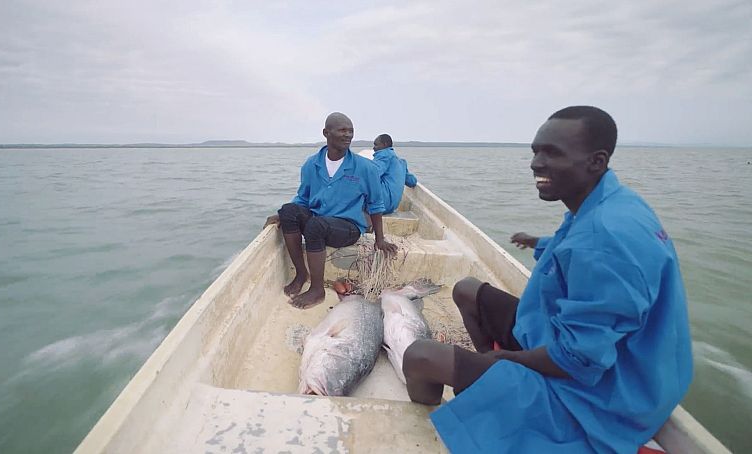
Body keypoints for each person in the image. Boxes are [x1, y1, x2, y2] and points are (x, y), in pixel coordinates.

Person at [401, 106, 693, 452]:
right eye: (536, 151)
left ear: (596, 161)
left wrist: (506, 360)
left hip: (601, 396)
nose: (536, 163)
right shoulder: (613, 203)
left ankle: (443, 420)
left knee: (418, 357)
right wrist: (539, 242)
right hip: (565, 339)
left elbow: (579, 360)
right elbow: (576, 248)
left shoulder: (606, 240)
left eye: (552, 153)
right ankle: (489, 384)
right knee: (467, 289)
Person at [266, 112, 398, 309]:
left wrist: (379, 239)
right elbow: (302, 198)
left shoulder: (365, 168)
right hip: (318, 220)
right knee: (288, 211)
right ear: (326, 133)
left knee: (315, 225)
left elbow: (375, 205)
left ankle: (317, 290)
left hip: (348, 226)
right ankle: (302, 274)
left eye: (351, 131)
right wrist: (281, 215)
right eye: (342, 130)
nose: (348, 135)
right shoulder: (312, 164)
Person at [371, 134, 418, 214]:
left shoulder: (384, 155)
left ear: (384, 144)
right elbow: (412, 181)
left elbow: (372, 174)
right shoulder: (401, 163)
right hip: (391, 207)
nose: (373, 148)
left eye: (376, 144)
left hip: (380, 205)